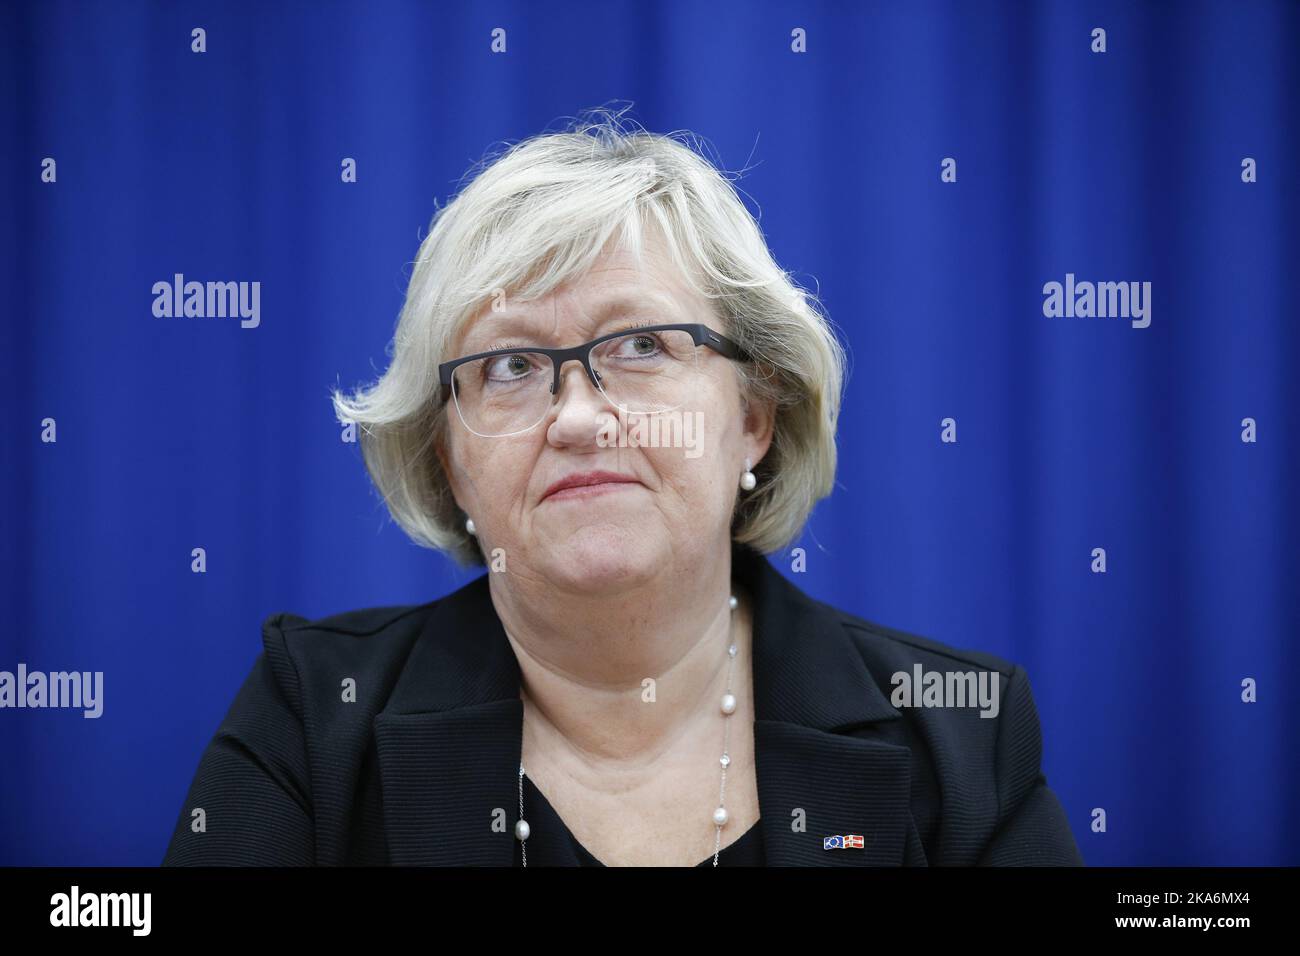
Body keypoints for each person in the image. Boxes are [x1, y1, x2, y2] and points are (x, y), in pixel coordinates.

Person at [162, 109, 1083, 867]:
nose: (575, 417)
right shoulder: (317, 716)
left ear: (755, 415)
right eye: (511, 365)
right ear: (449, 462)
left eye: (640, 346)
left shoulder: (960, 735)